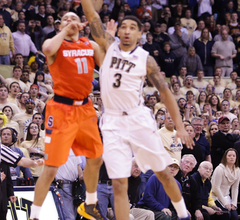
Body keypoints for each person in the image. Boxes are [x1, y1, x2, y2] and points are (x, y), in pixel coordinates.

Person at [81, 1, 194, 219]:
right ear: (118, 31)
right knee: (119, 184)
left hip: (137, 118)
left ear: (140, 34)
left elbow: (166, 92)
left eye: (133, 28)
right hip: (112, 121)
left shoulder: (146, 59)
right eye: (124, 27)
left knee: (162, 173)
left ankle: (182, 213)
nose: (127, 31)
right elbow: (91, 14)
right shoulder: (108, 45)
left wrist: (180, 126)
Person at [29, 12, 104, 220]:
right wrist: (65, 30)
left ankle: (89, 204)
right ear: (59, 25)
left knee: (96, 157)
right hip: (61, 109)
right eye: (65, 19)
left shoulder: (91, 46)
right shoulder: (56, 44)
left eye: (74, 18)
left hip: (86, 107)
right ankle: (34, 215)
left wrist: (108, 38)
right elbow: (47, 49)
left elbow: (107, 66)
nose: (70, 21)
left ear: (81, 24)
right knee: (51, 168)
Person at [175, 154, 209, 220]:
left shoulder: (191, 180)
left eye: (191, 164)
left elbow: (197, 198)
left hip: (187, 207)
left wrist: (197, 210)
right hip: (175, 206)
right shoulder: (175, 175)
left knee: (204, 214)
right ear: (181, 162)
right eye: (186, 162)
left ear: (192, 168)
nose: (188, 165)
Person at [211, 148, 240, 220]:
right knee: (226, 215)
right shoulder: (220, 169)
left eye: (233, 156)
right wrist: (225, 203)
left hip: (227, 196)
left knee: (235, 217)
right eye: (229, 155)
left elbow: (235, 187)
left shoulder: (237, 170)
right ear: (225, 157)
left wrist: (234, 203)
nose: (231, 157)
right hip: (216, 197)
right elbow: (216, 188)